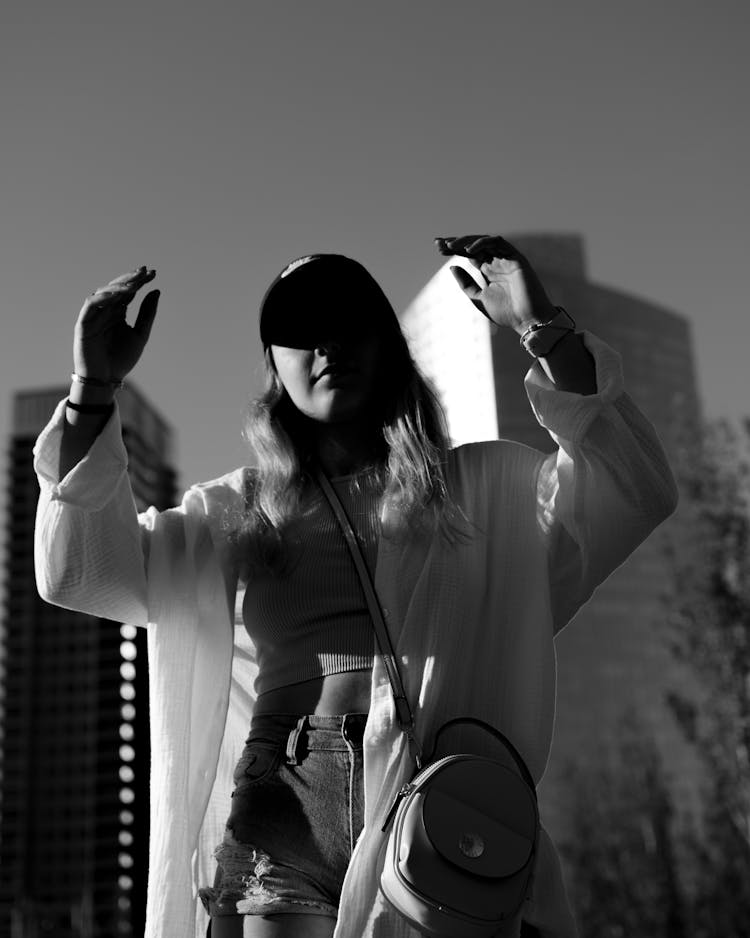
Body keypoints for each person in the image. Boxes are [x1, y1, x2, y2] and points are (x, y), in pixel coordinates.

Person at [34, 235, 678, 938]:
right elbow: (84, 570)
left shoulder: (484, 489)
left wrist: (541, 327)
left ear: (388, 346)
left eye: (348, 324)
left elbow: (631, 487)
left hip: (434, 796)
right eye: (301, 333)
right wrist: (92, 392)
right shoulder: (232, 509)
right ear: (275, 368)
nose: (327, 345)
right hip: (283, 799)